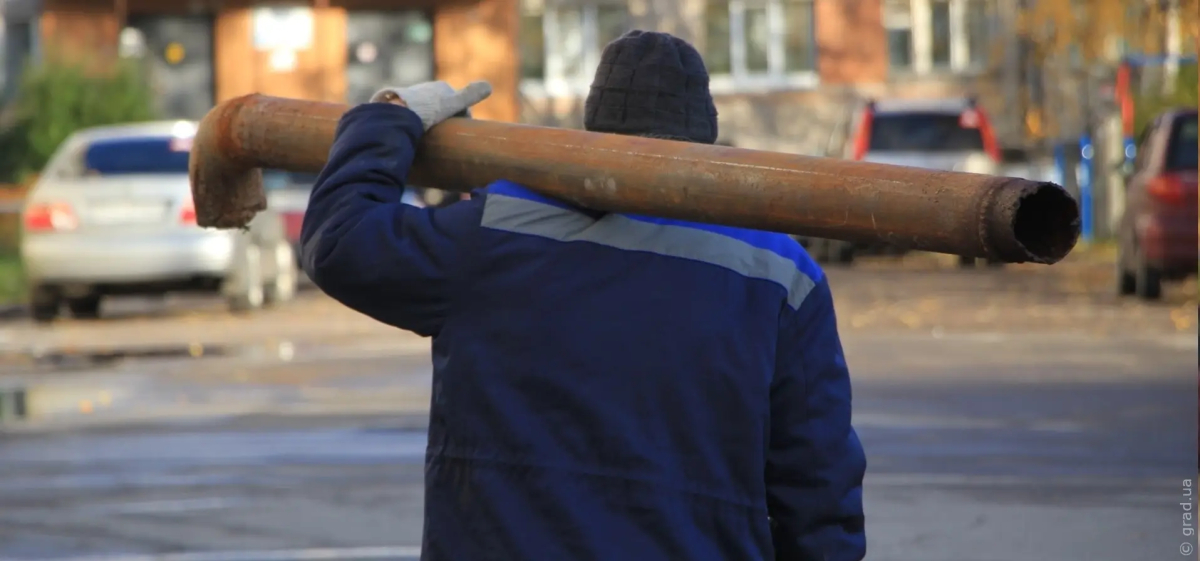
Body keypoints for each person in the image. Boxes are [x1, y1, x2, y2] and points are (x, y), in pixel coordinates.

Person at [300, 30, 866, 561]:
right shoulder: (781, 271)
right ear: (705, 136)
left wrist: (389, 119)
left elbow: (342, 241)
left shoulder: (492, 234)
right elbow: (817, 481)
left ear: (589, 130)